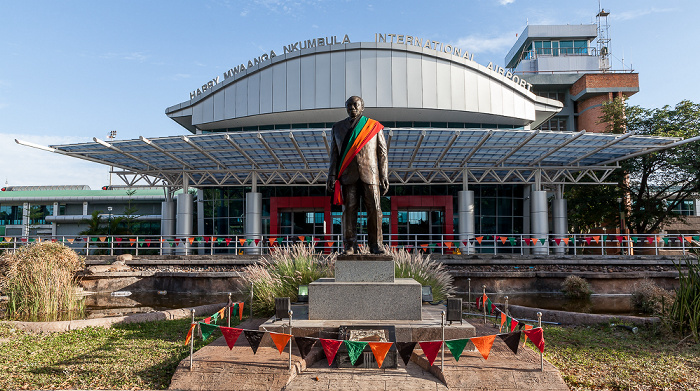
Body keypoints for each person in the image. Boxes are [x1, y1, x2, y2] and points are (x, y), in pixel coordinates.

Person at [327, 96, 389, 255]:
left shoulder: (373, 126)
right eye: (349, 105)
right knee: (348, 211)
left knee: (375, 209)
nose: (352, 107)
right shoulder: (337, 128)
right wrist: (332, 175)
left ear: (362, 107)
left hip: (371, 174)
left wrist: (384, 175)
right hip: (347, 175)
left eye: (355, 105)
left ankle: (376, 245)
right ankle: (349, 246)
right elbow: (334, 155)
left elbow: (382, 153)